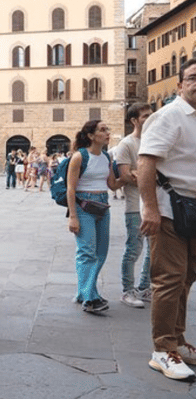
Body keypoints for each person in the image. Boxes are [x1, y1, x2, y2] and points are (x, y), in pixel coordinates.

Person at [139, 58, 196, 381]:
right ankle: (162, 350)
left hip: (192, 209)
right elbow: (146, 163)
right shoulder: (169, 116)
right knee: (169, 279)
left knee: (186, 277)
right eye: (193, 77)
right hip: (169, 210)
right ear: (180, 85)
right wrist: (149, 209)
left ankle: (177, 340)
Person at [66, 120, 120, 313]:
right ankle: (90, 298)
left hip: (103, 205)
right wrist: (73, 216)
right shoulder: (80, 157)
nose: (107, 133)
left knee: (101, 252)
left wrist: (130, 177)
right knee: (87, 251)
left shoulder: (107, 157)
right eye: (103, 130)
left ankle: (84, 292)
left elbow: (112, 185)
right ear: (91, 135)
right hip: (84, 205)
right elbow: (70, 188)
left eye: (108, 130)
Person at [115, 103, 153, 308]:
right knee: (133, 250)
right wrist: (146, 176)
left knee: (153, 250)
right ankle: (127, 291)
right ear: (134, 121)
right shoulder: (126, 144)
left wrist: (142, 175)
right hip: (134, 206)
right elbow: (125, 176)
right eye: (146, 116)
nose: (150, 118)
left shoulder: (154, 141)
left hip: (154, 204)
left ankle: (144, 287)